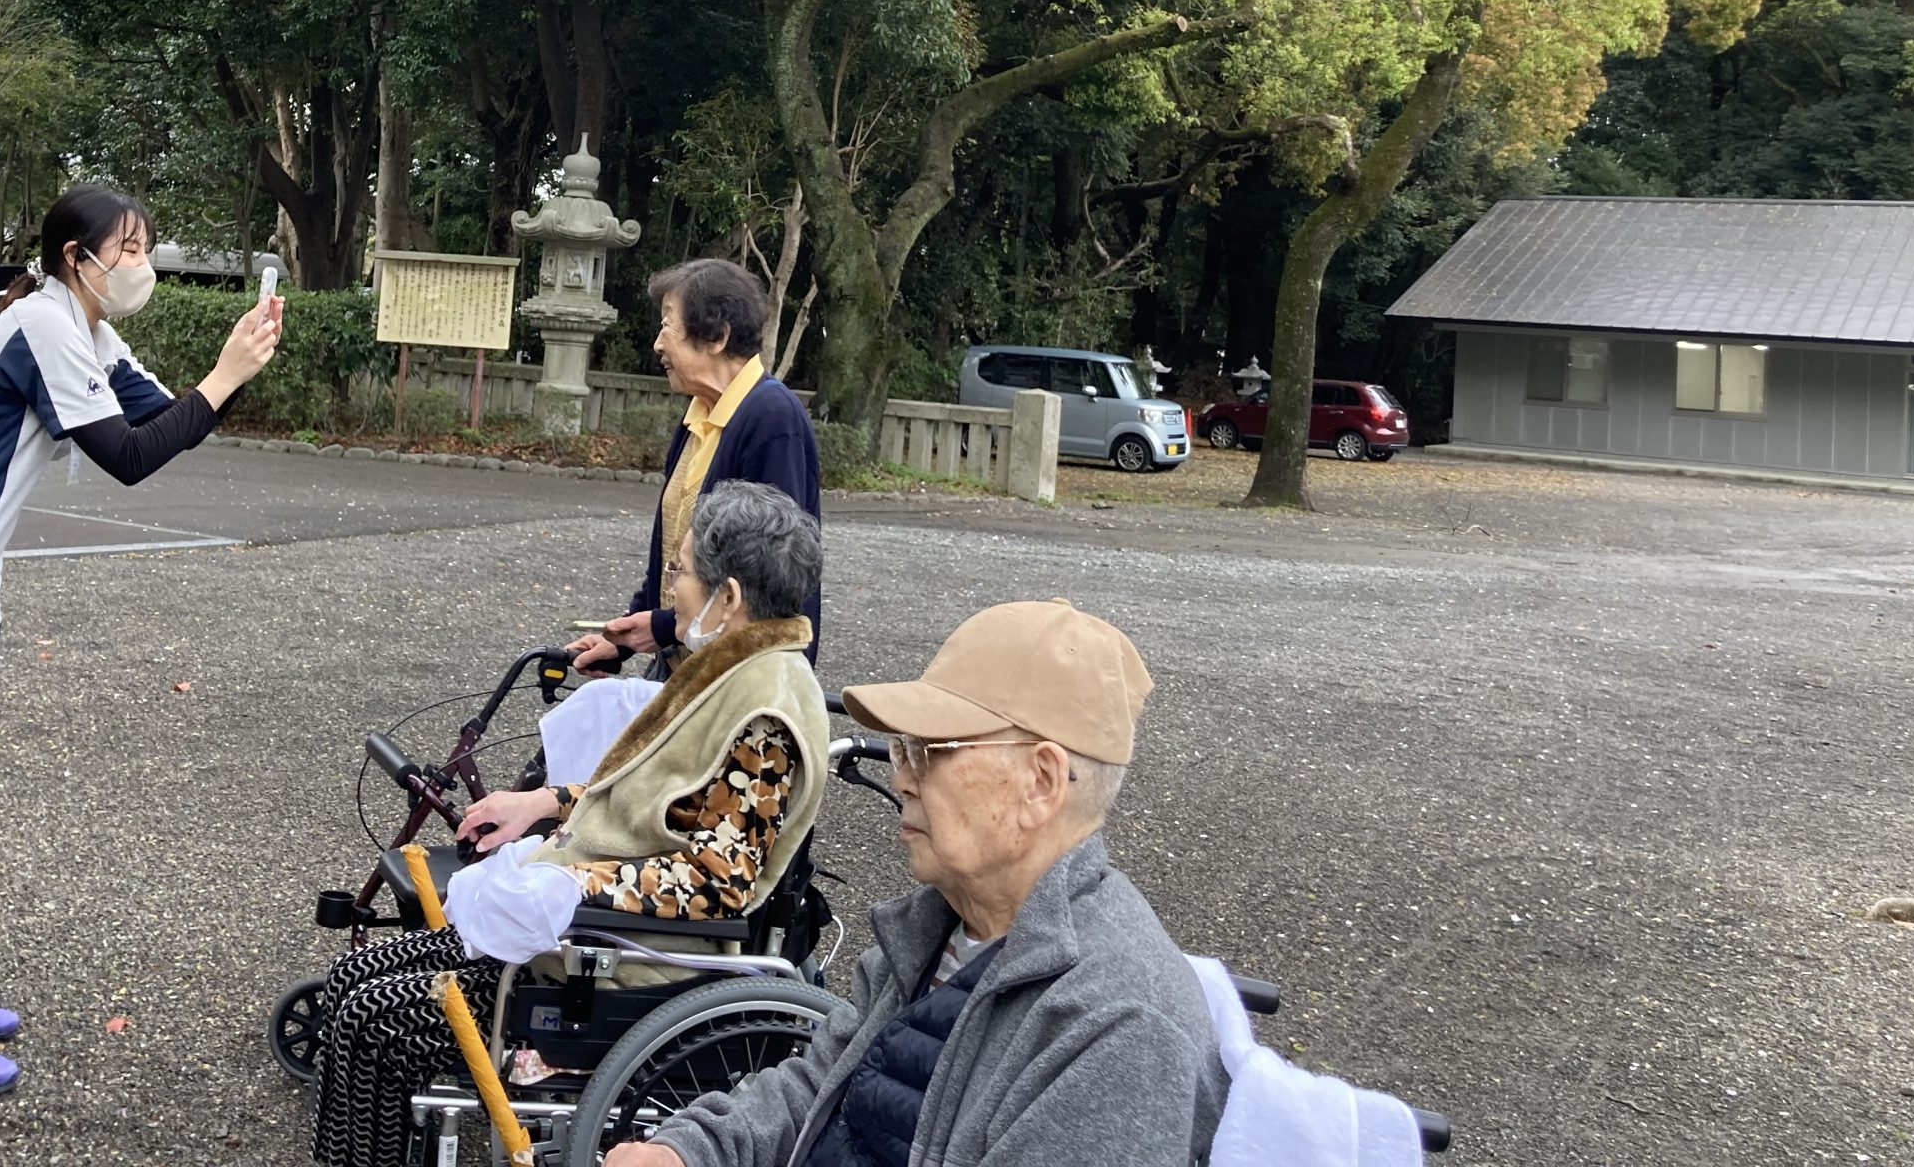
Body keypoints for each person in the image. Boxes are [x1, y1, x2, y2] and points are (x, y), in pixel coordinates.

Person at [0, 185, 280, 1096]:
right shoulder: (40, 328)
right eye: (128, 248)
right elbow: (127, 460)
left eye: (147, 245)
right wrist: (225, 375)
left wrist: (234, 372)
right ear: (77, 257)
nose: (141, 264)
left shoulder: (88, 335)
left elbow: (161, 425)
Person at [308, 482, 828, 1167]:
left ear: (728, 597)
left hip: (626, 955)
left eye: (681, 572)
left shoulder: (767, 715)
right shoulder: (732, 671)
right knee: (356, 982)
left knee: (375, 1021)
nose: (672, 589)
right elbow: (658, 794)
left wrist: (573, 886)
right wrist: (545, 803)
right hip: (585, 921)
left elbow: (717, 883)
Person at [606, 600, 1228, 1167]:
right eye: (902, 748)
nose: (902, 778)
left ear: (1041, 782)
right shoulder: (943, 925)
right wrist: (689, 1152)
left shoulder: (1121, 1033)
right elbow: (820, 1082)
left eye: (929, 749)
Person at [570, 258, 821, 672]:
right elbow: (675, 555)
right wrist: (624, 637)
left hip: (740, 675)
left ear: (718, 336)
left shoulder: (772, 418)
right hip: (686, 661)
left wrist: (664, 626)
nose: (657, 344)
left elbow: (772, 576)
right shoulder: (700, 413)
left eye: (667, 325)